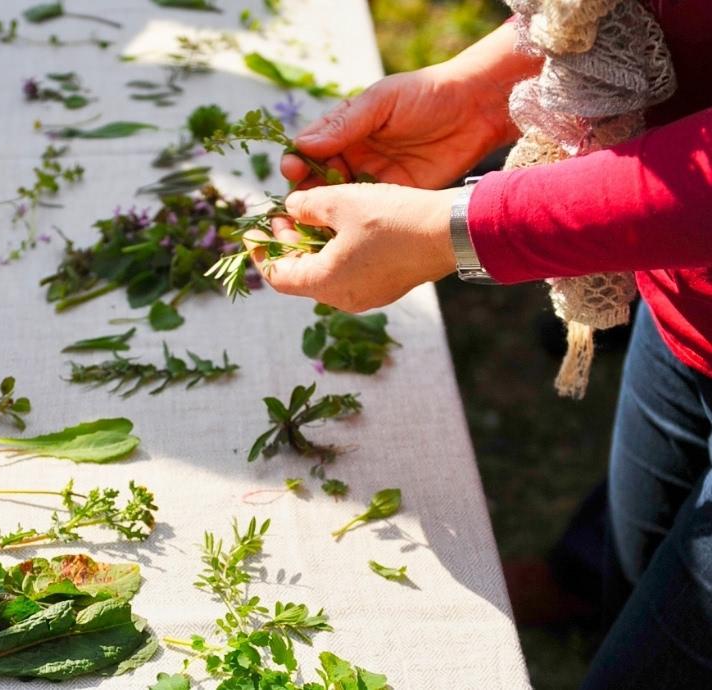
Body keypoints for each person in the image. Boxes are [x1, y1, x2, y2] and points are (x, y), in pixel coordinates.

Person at [259, 4, 712, 688]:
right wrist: (474, 94)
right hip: (688, 304)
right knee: (633, 568)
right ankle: (589, 592)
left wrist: (459, 232)